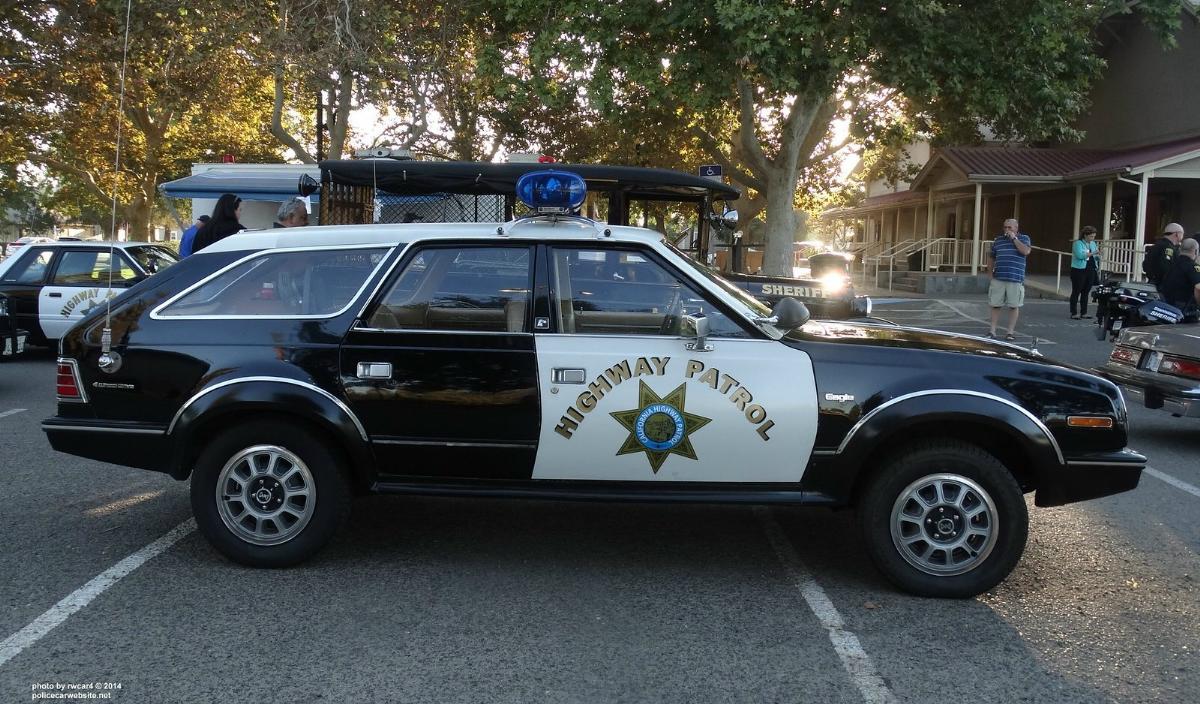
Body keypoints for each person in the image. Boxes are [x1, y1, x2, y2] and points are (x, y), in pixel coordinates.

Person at [987, 218, 1032, 340]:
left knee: (1013, 305)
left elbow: (1026, 251)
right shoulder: (998, 240)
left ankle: (1010, 332)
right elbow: (991, 257)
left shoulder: (1024, 238)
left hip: (1015, 278)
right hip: (999, 277)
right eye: (1005, 227)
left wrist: (1014, 239)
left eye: (1009, 227)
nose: (1006, 230)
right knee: (995, 304)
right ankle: (992, 331)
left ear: (1016, 228)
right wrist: (990, 274)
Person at [1069, 225, 1100, 319]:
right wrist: (1093, 253)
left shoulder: (1093, 244)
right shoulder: (1077, 243)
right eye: (1091, 236)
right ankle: (1073, 312)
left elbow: (1094, 257)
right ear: (1085, 235)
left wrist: (1098, 256)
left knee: (1086, 291)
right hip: (1079, 269)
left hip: (1090, 269)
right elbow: (1080, 255)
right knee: (1076, 290)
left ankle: (1084, 312)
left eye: (1094, 236)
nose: (1092, 238)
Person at [1159, 237, 1200, 309]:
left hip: (1165, 303)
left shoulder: (1172, 263)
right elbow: (1198, 288)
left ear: (1180, 249)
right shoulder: (1193, 267)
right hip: (1183, 307)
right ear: (1196, 251)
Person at [1144, 222, 1184, 290]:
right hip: (1163, 287)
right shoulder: (1168, 248)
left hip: (1152, 283)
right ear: (1176, 234)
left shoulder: (1157, 245)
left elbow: (1145, 264)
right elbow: (1166, 267)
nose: (1183, 236)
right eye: (1182, 233)